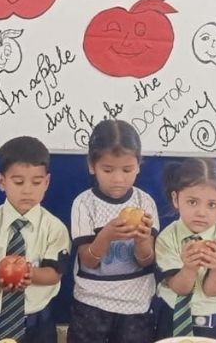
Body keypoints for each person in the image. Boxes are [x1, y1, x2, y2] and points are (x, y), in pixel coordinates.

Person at [0, 136, 70, 343]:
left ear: (47, 182)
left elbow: (54, 273)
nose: (27, 190)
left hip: (38, 322)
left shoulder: (54, 227)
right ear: (1, 181)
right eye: (18, 182)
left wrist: (30, 274)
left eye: (36, 182)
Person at [68, 119, 159, 343]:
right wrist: (106, 235)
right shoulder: (84, 204)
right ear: (92, 166)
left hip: (135, 304)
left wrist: (142, 240)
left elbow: (147, 261)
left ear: (138, 165)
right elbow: (88, 260)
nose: (118, 179)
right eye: (108, 170)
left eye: (127, 170)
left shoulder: (145, 202)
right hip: (92, 303)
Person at [154, 158, 216, 341]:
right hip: (172, 320)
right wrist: (189, 268)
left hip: (215, 324)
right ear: (176, 199)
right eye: (193, 202)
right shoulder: (167, 238)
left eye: (212, 205)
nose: (201, 212)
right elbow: (180, 288)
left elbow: (212, 291)